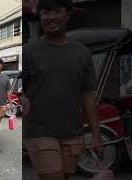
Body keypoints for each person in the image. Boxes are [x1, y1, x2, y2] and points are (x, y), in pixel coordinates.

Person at [23, 1, 102, 180]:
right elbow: (20, 89)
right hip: (39, 131)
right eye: (45, 12)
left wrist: (96, 136)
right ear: (40, 16)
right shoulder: (28, 51)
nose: (51, 17)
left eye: (57, 11)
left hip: (72, 131)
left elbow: (88, 96)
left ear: (68, 14)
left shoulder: (82, 53)